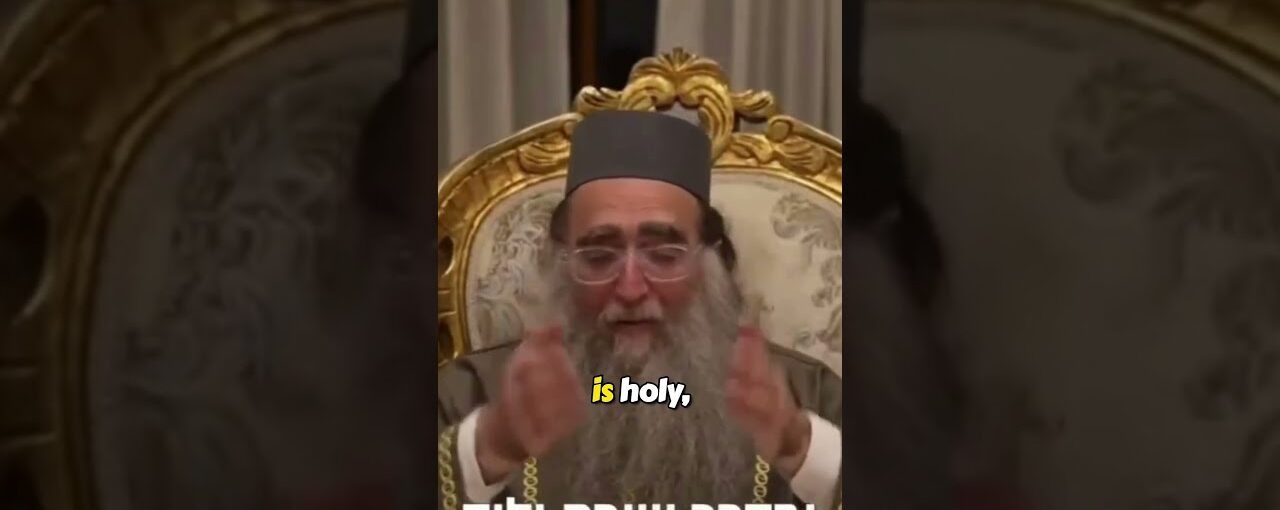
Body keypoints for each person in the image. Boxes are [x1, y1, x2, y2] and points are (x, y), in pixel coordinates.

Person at [436, 111, 842, 508]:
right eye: (599, 257)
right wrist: (488, 450)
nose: (630, 289)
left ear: (711, 264)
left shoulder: (809, 395)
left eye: (664, 255)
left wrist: (801, 448)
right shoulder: (470, 393)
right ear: (562, 267)